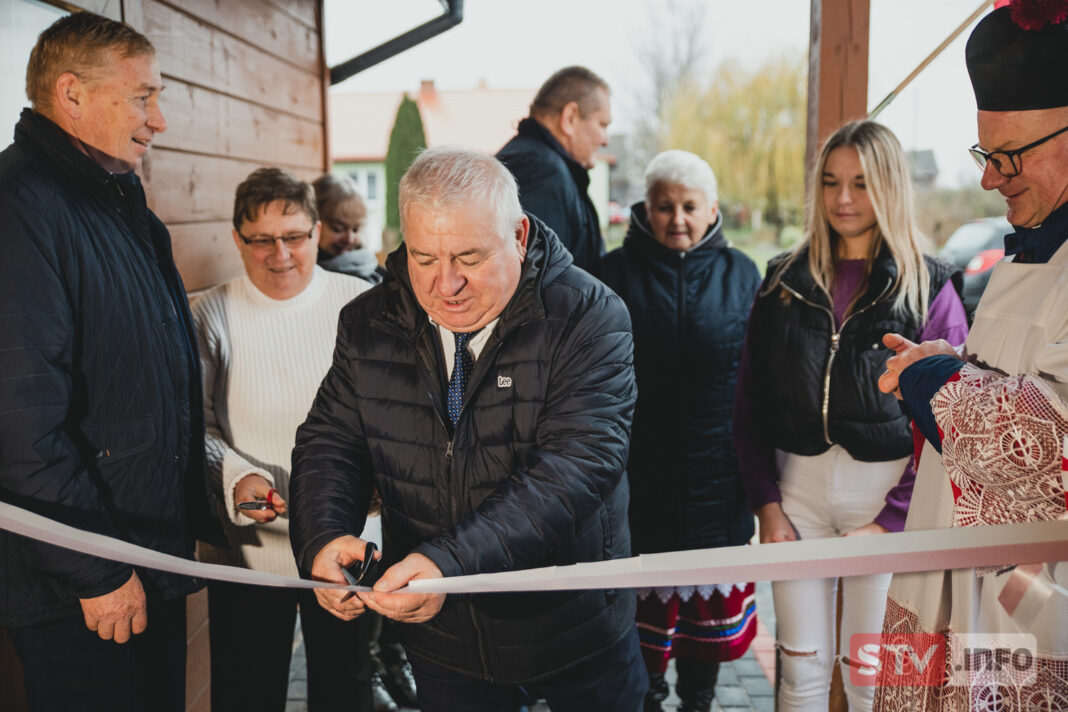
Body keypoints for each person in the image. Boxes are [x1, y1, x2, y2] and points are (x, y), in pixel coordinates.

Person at [288, 146, 647, 711]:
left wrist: (448, 564)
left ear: (520, 235)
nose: (445, 284)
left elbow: (577, 467)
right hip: (446, 645)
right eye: (424, 257)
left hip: (573, 632)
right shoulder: (366, 323)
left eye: (470, 257)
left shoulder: (589, 316)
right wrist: (323, 535)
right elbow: (331, 440)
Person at [0, 12, 222, 711]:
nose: (157, 119)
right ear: (71, 94)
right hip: (82, 587)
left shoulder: (116, 203)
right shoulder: (21, 207)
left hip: (144, 558)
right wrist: (95, 570)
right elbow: (18, 416)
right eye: (141, 96)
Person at [733, 120, 968, 711]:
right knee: (802, 673)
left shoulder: (929, 287)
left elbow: (950, 420)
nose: (842, 199)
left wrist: (890, 520)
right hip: (797, 498)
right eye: (832, 182)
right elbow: (749, 401)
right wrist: (766, 503)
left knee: (871, 680)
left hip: (887, 500)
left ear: (888, 187)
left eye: (861, 184)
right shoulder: (783, 281)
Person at [874, 6, 1068, 710]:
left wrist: (938, 382)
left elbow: (1055, 439)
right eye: (986, 155)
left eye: (1011, 154)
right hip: (958, 572)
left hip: (1027, 613)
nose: (992, 180)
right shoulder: (1038, 244)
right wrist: (957, 363)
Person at [192, 168, 382, 711]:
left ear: (317, 232)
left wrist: (376, 482)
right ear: (237, 240)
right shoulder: (209, 313)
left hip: (345, 539)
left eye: (295, 236)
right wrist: (234, 478)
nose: (281, 254)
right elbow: (195, 429)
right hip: (247, 552)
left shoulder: (360, 302)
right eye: (262, 240)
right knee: (247, 691)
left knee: (345, 688)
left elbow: (388, 414)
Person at [599, 150, 761, 712]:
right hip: (637, 484)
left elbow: (757, 377)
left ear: (711, 209)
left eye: (689, 206)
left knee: (703, 636)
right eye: (664, 205)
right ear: (645, 207)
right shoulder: (611, 274)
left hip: (717, 480)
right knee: (639, 641)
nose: (676, 218)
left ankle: (698, 703)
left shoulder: (743, 274)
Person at [497, 65, 610, 274]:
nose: (605, 140)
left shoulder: (539, 163)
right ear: (570, 118)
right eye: (602, 124)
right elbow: (535, 281)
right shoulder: (541, 170)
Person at [313, 172, 387, 284]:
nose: (350, 239)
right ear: (313, 223)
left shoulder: (374, 269)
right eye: (338, 229)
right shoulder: (310, 276)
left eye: (355, 229)